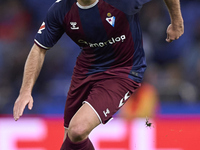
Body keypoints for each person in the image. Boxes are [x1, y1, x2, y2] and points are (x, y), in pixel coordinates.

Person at [13, 0, 184, 149]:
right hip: (86, 69)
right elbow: (39, 48)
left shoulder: (123, 2)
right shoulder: (61, 9)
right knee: (70, 141)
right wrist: (25, 91)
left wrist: (176, 22)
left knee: (77, 130)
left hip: (123, 71)